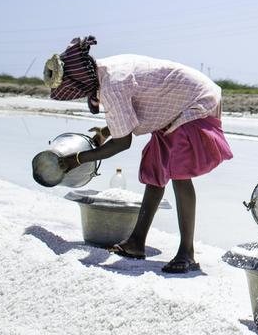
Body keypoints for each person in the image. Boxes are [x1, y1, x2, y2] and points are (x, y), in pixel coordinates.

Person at [44, 35, 233, 274]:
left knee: (179, 173)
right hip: (173, 108)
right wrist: (105, 131)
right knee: (155, 173)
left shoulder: (112, 83)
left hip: (194, 102)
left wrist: (78, 159)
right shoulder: (103, 70)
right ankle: (136, 242)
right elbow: (135, 107)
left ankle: (187, 253)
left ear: (79, 80)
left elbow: (122, 143)